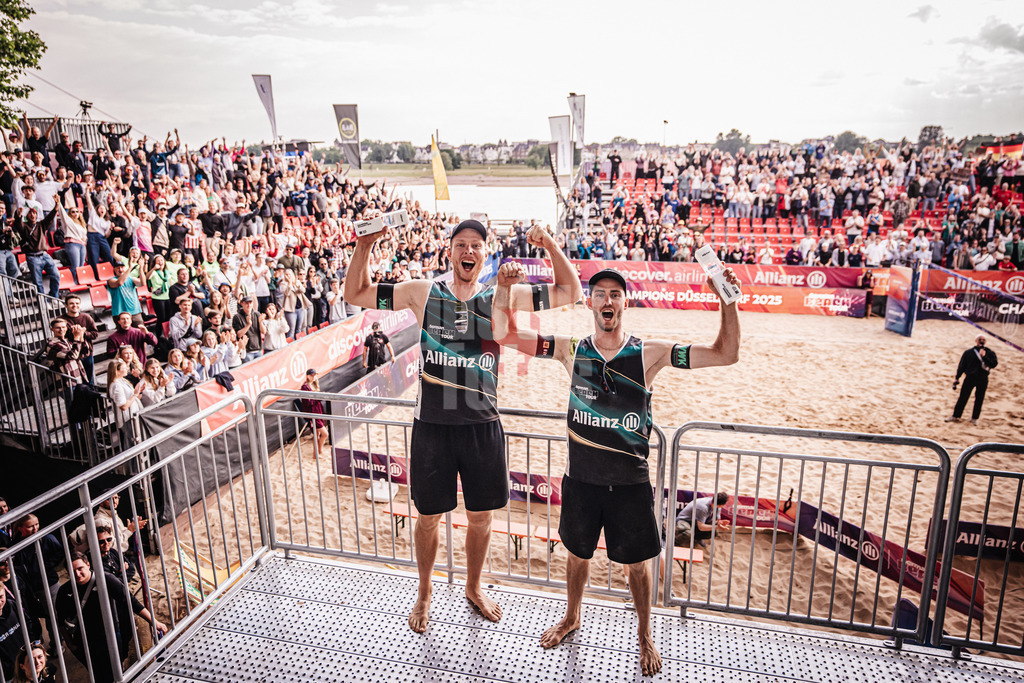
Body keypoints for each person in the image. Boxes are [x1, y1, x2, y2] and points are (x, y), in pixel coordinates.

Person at [491, 266, 741, 677]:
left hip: (630, 484)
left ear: (626, 302)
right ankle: (572, 617)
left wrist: (726, 300)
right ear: (589, 302)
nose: (608, 301)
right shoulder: (571, 349)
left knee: (638, 566)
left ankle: (644, 634)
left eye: (615, 294)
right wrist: (503, 288)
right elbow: (505, 334)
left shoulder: (648, 353)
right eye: (600, 293)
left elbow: (725, 353)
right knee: (576, 555)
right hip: (583, 480)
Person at [344, 217, 582, 633]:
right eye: (461, 245)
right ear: (449, 251)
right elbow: (356, 292)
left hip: (481, 424)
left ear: (485, 254)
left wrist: (547, 243)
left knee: (481, 518)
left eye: (477, 246)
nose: (468, 252)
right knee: (429, 517)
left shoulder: (499, 297)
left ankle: (473, 587)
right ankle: (423, 592)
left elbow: (571, 292)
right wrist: (364, 245)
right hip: (432, 425)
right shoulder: (424, 292)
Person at [56, 552, 166, 683]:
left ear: (88, 564)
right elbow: (61, 619)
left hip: (110, 636)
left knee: (115, 672)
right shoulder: (64, 592)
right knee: (97, 674)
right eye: (72, 571)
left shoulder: (105, 579)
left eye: (80, 569)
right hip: (84, 641)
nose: (77, 574)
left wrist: (154, 621)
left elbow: (131, 601)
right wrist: (69, 642)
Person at [945, 335, 999, 425]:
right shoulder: (968, 352)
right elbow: (962, 365)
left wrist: (984, 356)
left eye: (983, 340)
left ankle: (975, 418)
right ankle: (956, 416)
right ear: (976, 340)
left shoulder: (989, 352)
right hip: (970, 377)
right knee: (963, 397)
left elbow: (993, 364)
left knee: (979, 398)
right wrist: (957, 377)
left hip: (983, 378)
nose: (981, 341)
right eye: (979, 339)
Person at [300, 368, 330, 455]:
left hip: (318, 411)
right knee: (325, 434)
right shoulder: (305, 387)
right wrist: (319, 397)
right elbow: (308, 402)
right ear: (307, 376)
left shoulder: (314, 384)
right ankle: (317, 451)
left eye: (314, 375)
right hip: (312, 413)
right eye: (311, 375)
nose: (313, 377)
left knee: (317, 434)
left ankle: (317, 452)